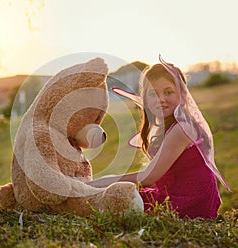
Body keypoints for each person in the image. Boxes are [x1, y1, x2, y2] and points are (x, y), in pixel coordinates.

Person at [87, 55, 230, 219]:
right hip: (173, 195)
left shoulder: (183, 128)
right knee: (118, 195)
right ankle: (84, 190)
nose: (161, 99)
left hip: (187, 203)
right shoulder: (169, 127)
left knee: (114, 199)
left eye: (168, 92)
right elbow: (162, 178)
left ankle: (82, 192)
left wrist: (103, 182)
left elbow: (148, 177)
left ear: (182, 94)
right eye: (153, 94)